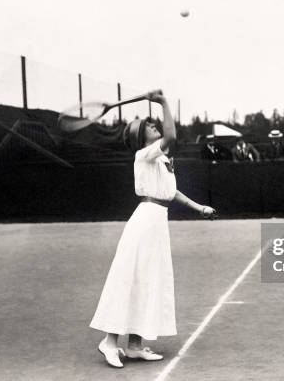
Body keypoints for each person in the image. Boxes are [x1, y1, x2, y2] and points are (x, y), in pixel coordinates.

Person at [89, 91, 216, 369]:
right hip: (144, 222)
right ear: (140, 137)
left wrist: (199, 208)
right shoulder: (144, 154)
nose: (154, 125)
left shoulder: (159, 160)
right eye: (148, 125)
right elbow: (170, 137)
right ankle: (109, 342)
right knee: (132, 278)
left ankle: (134, 346)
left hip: (157, 222)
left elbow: (171, 193)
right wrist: (164, 102)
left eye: (153, 122)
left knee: (148, 280)